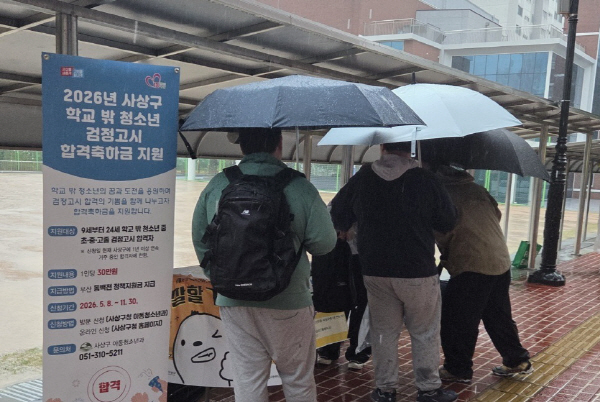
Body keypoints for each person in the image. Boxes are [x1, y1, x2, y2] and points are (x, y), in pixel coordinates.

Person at [192, 128, 337, 402]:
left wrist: (224, 278)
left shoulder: (218, 183)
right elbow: (324, 244)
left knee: (247, 379)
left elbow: (201, 241)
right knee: (297, 379)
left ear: (242, 147)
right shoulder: (299, 186)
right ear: (279, 144)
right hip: (289, 300)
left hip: (233, 301)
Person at [330, 142, 458, 402]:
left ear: (382, 147)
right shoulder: (425, 178)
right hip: (418, 272)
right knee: (424, 332)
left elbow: (338, 214)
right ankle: (428, 389)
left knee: (383, 333)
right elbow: (448, 221)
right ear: (411, 149)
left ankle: (385, 390)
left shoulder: (363, 177)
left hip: (375, 271)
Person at [432, 164, 532, 383]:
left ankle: (458, 369)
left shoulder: (440, 194)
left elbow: (440, 229)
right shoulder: (477, 189)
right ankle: (517, 360)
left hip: (472, 263)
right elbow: (497, 214)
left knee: (457, 319)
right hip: (499, 258)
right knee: (498, 315)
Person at [316, 224, 372, 370]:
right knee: (334, 301)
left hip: (363, 255)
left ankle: (358, 352)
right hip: (335, 252)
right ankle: (328, 349)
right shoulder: (336, 209)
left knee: (362, 304)